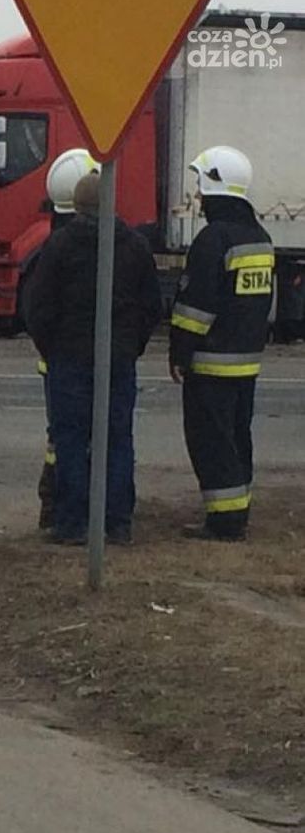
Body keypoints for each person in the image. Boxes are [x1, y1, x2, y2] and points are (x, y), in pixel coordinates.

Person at [26, 174, 162, 545]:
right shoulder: (134, 245)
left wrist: (50, 349)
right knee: (117, 438)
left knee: (71, 439)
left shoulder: (60, 245)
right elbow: (152, 305)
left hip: (69, 359)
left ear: (77, 205)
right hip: (118, 359)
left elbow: (38, 307)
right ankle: (117, 524)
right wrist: (131, 346)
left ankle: (72, 524)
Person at [170, 146, 274, 542]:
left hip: (211, 363)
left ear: (213, 185)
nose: (197, 196)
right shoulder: (259, 238)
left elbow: (195, 306)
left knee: (211, 441)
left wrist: (179, 352)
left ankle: (224, 522)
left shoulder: (214, 239)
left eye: (200, 185)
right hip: (246, 363)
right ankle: (238, 511)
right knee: (237, 436)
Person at [24, 148, 101, 531]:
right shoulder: (102, 246)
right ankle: (74, 505)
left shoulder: (52, 247)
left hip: (57, 363)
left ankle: (56, 506)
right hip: (82, 362)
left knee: (62, 437)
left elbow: (37, 313)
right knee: (88, 435)